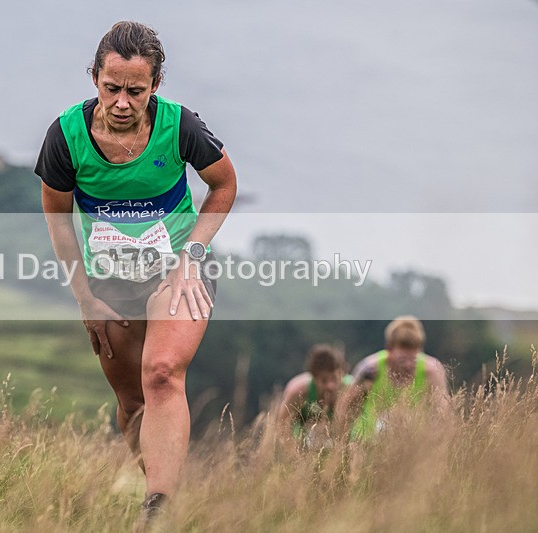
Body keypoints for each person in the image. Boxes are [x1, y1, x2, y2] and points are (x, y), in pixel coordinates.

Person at [34, 21, 237, 522]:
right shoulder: (66, 137)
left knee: (162, 373)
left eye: (135, 91)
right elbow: (58, 220)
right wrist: (83, 297)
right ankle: (162, 486)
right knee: (131, 401)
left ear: (155, 86)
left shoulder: (179, 125)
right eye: (111, 88)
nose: (122, 102)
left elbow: (225, 185)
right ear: (95, 79)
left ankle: (158, 511)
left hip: (178, 272)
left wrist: (191, 256)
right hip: (108, 282)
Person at [336, 316, 450, 441]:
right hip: (367, 443)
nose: (408, 365)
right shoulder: (370, 369)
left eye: (413, 359)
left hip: (412, 446)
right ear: (389, 348)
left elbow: (444, 416)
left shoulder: (432, 371)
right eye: (403, 359)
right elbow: (344, 409)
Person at [277, 344, 352, 451]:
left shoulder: (351, 389)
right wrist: (294, 456)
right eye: (324, 380)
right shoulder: (298, 392)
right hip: (304, 441)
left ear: (342, 374)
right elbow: (283, 426)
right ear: (314, 377)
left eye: (334, 379)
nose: (330, 386)